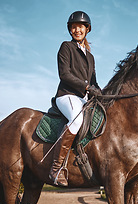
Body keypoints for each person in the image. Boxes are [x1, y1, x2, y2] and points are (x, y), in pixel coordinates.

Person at [49, 11, 102, 186]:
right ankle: (56, 169)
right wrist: (87, 87)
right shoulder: (66, 47)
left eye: (80, 26)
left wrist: (102, 93)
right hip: (67, 95)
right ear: (70, 29)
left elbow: (94, 82)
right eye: (74, 27)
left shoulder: (90, 56)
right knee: (76, 120)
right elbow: (65, 75)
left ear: (87, 29)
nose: (77, 29)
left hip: (83, 98)